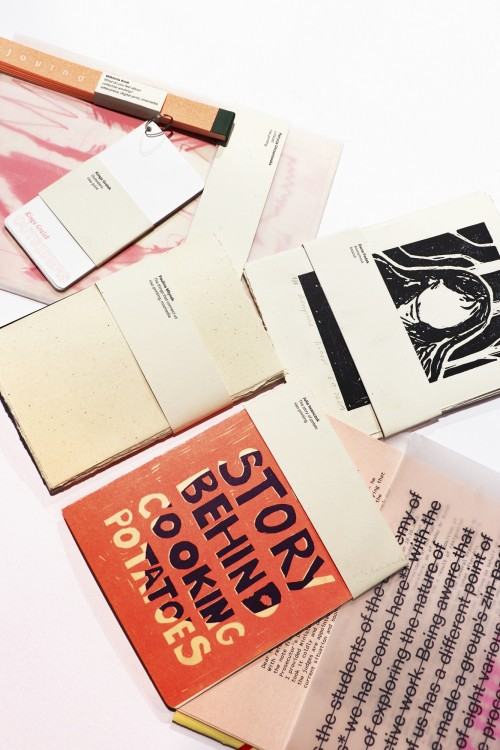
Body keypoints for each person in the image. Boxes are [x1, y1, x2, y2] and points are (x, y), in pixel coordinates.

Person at [374, 253, 492, 382]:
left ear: (457, 327)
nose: (439, 312)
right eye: (445, 301)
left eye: (450, 315)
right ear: (434, 281)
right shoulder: (380, 270)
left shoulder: (423, 364)